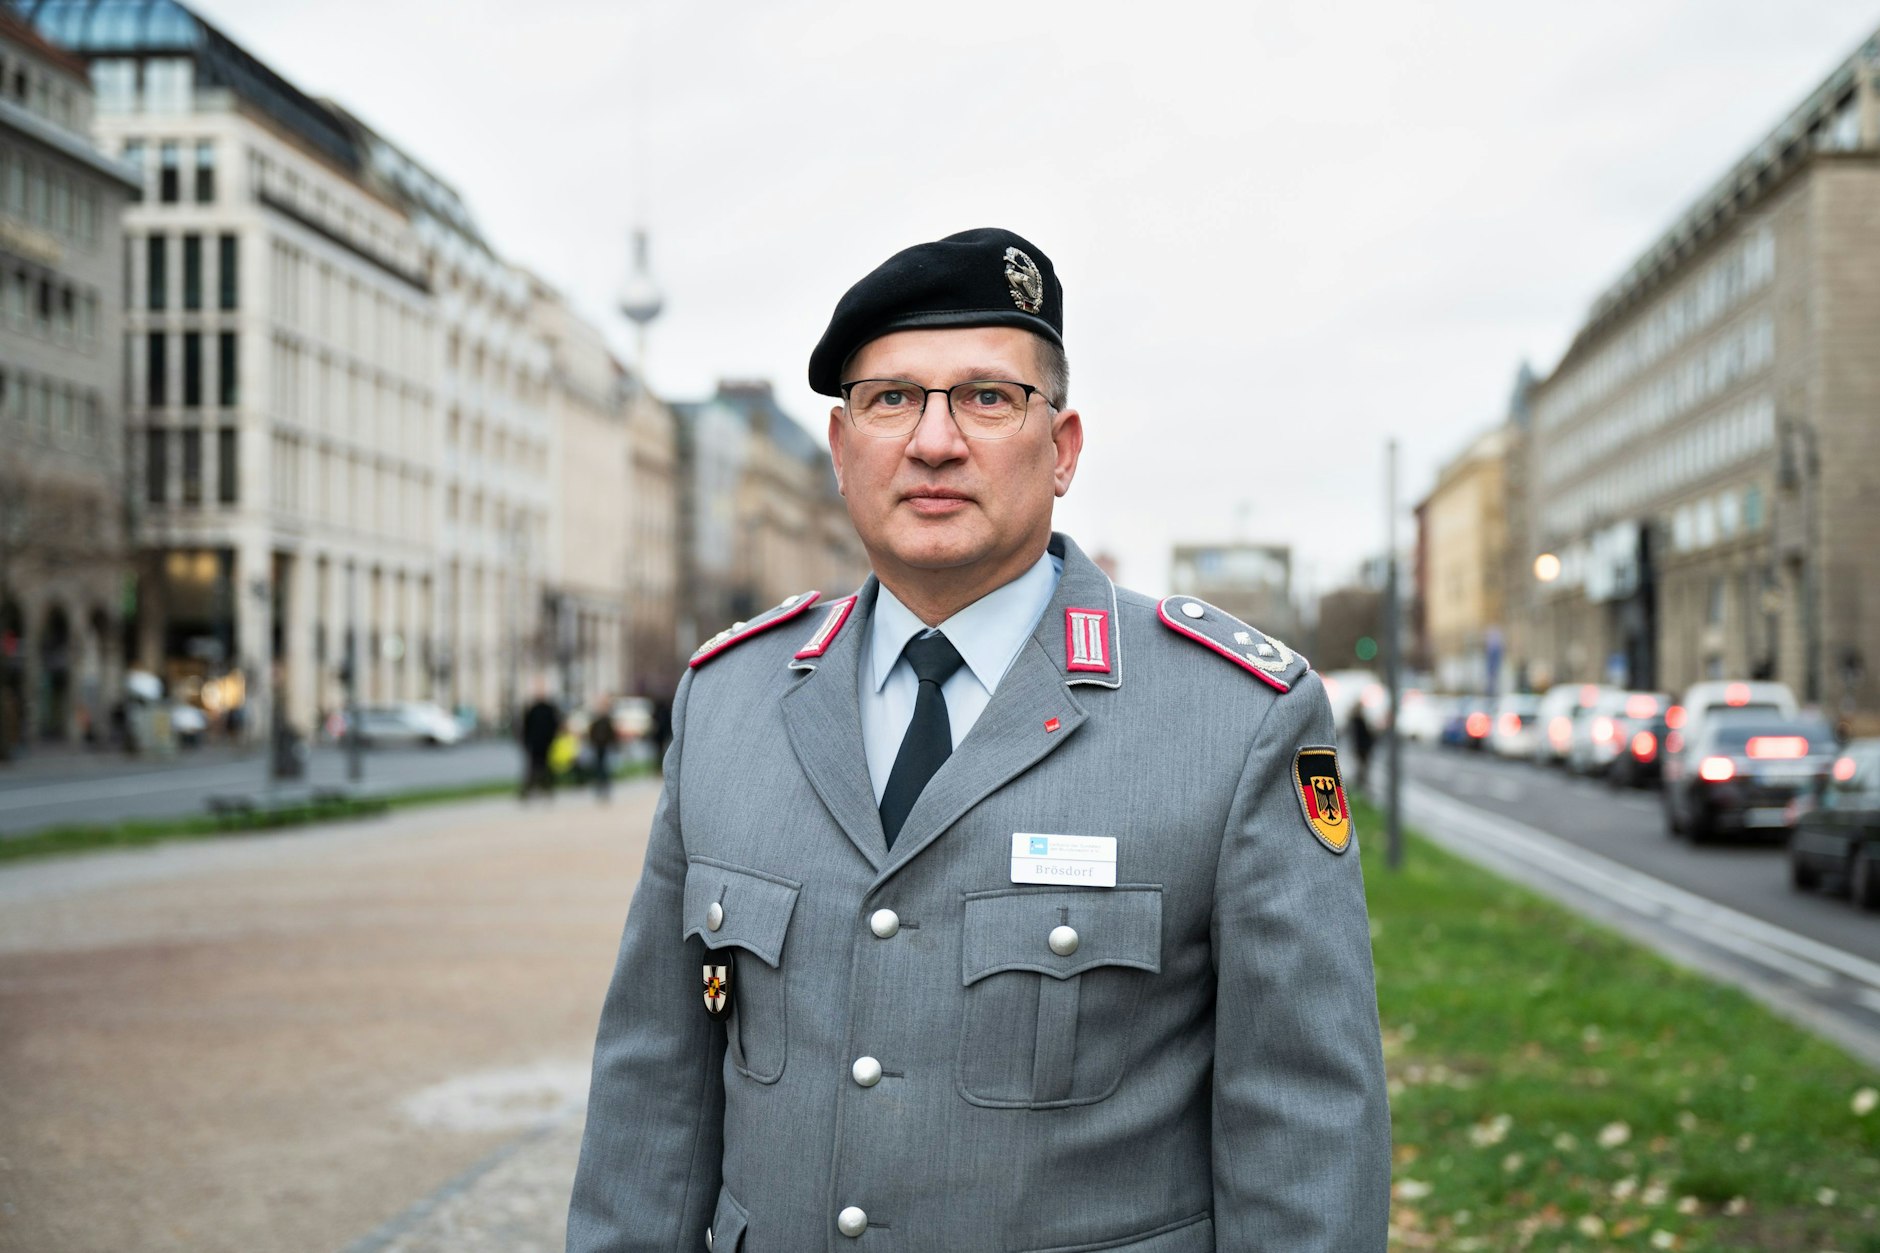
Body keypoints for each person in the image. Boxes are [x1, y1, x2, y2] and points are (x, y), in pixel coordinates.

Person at [568, 228, 1390, 1252]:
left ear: (1063, 448)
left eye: (987, 397)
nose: (932, 441)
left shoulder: (1230, 719)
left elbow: (1302, 1129)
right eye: (890, 398)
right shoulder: (727, 698)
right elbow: (654, 1090)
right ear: (839, 448)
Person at [519, 683, 561, 801]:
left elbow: (554, 725)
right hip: (536, 743)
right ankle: (531, 790)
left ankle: (545, 788)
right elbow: (526, 727)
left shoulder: (547, 709)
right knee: (533, 767)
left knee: (543, 767)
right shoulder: (534, 709)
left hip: (544, 742)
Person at [588, 699, 620, 801]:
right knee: (599, 768)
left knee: (604, 768)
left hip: (605, 746)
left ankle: (604, 788)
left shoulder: (606, 721)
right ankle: (600, 788)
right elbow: (591, 733)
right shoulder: (596, 721)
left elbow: (611, 734)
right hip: (598, 746)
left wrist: (613, 744)